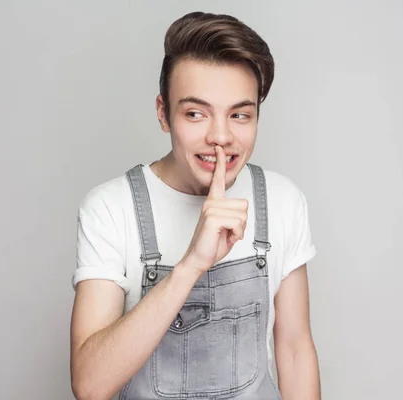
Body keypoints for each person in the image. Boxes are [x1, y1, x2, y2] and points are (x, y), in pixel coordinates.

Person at [70, 11, 321, 400]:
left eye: (240, 114)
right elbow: (89, 385)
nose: (220, 137)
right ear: (163, 113)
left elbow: (294, 350)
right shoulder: (110, 208)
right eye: (196, 114)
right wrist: (191, 265)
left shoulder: (282, 200)